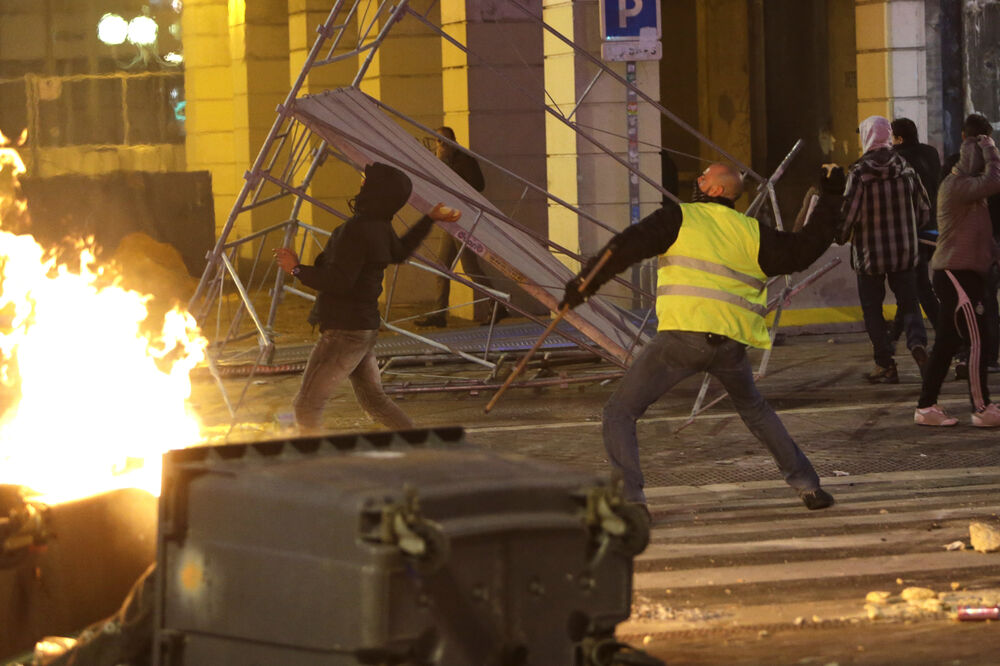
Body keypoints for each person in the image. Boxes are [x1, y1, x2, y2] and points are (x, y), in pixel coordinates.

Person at [560, 162, 844, 513]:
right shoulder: (754, 232)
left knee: (620, 412)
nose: (697, 179)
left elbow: (625, 247)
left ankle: (632, 501)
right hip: (730, 347)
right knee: (754, 410)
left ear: (715, 190)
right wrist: (832, 195)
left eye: (704, 176)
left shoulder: (679, 218)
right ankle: (809, 487)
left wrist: (582, 286)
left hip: (681, 339)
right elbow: (806, 248)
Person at [275, 162, 460, 432]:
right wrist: (430, 219)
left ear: (376, 191)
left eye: (366, 181)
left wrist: (296, 268)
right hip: (363, 328)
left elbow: (339, 281)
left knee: (306, 405)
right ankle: (418, 445)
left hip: (344, 330)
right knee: (375, 402)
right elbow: (400, 252)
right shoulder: (379, 226)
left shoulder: (357, 230)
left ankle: (312, 465)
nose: (361, 182)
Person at [913, 123, 1000, 427]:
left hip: (967, 272)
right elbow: (995, 179)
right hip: (954, 273)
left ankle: (926, 407)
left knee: (948, 343)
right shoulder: (955, 186)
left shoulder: (973, 194)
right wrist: (991, 149)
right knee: (977, 339)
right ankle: (981, 407)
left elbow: (982, 233)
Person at [838, 115, 931, 383]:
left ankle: (885, 363)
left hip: (870, 255)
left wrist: (843, 236)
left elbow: (849, 215)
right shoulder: (905, 167)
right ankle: (917, 344)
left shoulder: (859, 173)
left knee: (872, 309)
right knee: (909, 303)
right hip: (905, 252)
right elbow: (924, 210)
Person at [414, 126, 508, 327]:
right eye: (437, 141)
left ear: (451, 142)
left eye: (441, 141)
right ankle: (439, 314)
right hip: (450, 218)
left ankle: (498, 304)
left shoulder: (465, 161)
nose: (439, 145)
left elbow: (477, 186)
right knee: (442, 266)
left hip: (463, 221)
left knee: (470, 268)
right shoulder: (444, 162)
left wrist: (449, 172)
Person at [889, 117, 941, 340]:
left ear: (899, 139)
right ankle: (893, 334)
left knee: (920, 286)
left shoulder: (897, 159)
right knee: (911, 285)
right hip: (935, 227)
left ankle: (948, 336)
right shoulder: (930, 152)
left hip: (914, 231)